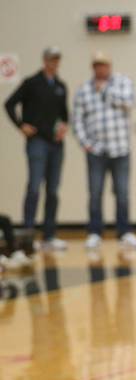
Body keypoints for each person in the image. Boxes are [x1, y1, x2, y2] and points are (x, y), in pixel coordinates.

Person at [73, 51, 136, 251]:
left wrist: (105, 92)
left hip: (120, 149)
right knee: (95, 193)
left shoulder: (122, 82)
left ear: (110, 66)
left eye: (104, 65)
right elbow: (77, 120)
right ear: (93, 67)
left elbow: (130, 103)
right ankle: (94, 233)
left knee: (122, 193)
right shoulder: (84, 90)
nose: (101, 69)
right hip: (96, 152)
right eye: (97, 65)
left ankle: (124, 232)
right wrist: (86, 143)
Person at [4, 46, 69, 252]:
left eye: (57, 59)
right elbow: (9, 104)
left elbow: (64, 115)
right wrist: (21, 124)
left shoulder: (60, 86)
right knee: (34, 187)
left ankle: (49, 235)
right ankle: (28, 234)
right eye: (51, 59)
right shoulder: (32, 83)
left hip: (56, 144)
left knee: (53, 190)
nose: (54, 63)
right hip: (37, 143)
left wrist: (63, 127)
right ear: (44, 61)